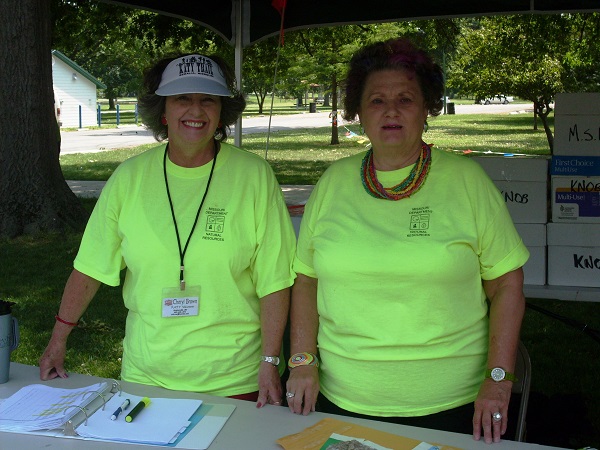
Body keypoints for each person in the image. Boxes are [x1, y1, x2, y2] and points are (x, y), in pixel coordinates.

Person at [285, 37, 529, 444]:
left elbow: (507, 283)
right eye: (377, 100)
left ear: (427, 109)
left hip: (452, 404)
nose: (391, 110)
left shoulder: (466, 182)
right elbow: (307, 279)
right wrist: (301, 361)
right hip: (340, 397)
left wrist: (498, 380)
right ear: (359, 113)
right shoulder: (333, 183)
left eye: (406, 98)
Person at [39, 53, 296, 408]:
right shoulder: (129, 178)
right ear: (163, 109)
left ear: (222, 111)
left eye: (208, 100)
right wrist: (57, 340)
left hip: (235, 380)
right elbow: (90, 268)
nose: (196, 110)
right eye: (182, 99)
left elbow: (275, 280)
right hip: (146, 378)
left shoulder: (254, 177)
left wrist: (270, 363)